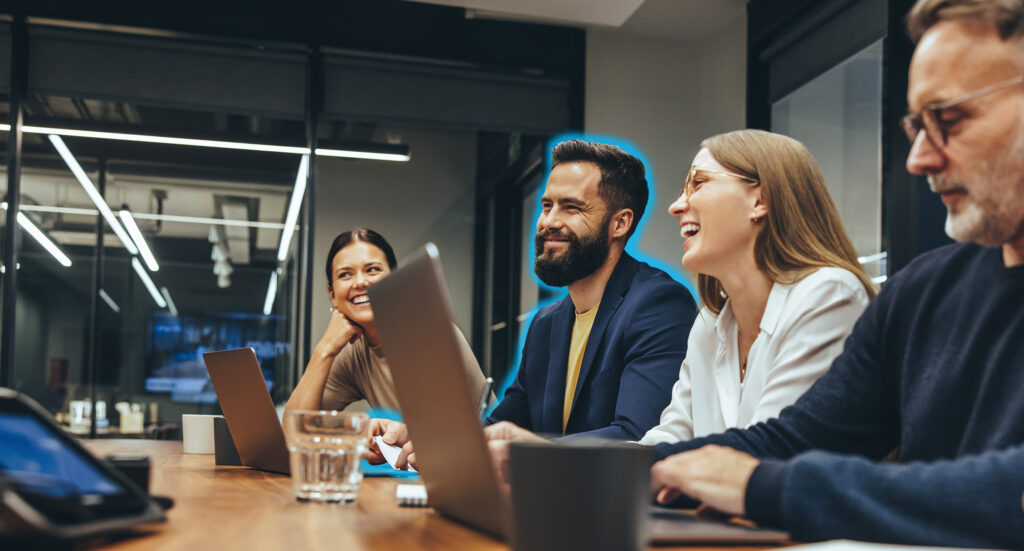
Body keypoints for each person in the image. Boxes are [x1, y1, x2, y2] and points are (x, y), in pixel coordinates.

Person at [644, 1, 1024, 548]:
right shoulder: (922, 294)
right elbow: (797, 438)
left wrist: (763, 485)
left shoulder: (842, 293)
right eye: (918, 125)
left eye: (950, 120)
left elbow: (1008, 495)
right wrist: (604, 469)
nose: (918, 159)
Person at [637, 129, 875, 445]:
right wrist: (578, 466)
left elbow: (766, 451)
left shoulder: (829, 295)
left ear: (759, 201)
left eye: (698, 182)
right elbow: (670, 436)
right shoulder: (710, 322)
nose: (677, 206)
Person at [483, 139, 697, 440]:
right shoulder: (546, 323)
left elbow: (636, 436)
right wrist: (436, 442)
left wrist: (535, 452)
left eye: (571, 208)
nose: (549, 222)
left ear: (620, 223)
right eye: (547, 206)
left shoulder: (659, 305)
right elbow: (504, 425)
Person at [283, 228, 486, 447]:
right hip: (414, 474)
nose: (360, 282)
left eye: (372, 270)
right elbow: (292, 434)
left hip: (481, 467)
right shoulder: (352, 351)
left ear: (393, 279)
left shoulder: (430, 335)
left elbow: (453, 434)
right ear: (332, 294)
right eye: (345, 274)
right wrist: (325, 350)